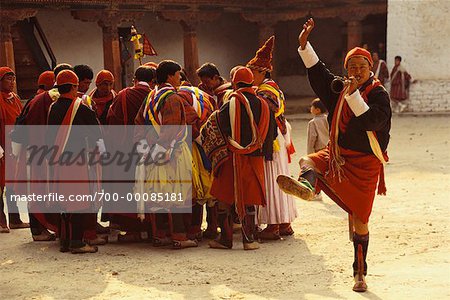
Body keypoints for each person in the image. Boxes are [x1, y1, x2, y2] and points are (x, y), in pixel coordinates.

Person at [277, 18, 391, 292]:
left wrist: (354, 96)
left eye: (362, 67)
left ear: (370, 69)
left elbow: (372, 123)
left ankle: (359, 273)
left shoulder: (379, 95)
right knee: (308, 160)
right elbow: (319, 74)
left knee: (360, 221)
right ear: (346, 69)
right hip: (337, 158)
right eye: (352, 67)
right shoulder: (339, 88)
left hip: (364, 165)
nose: (357, 71)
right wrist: (304, 45)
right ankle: (307, 186)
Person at [202, 66, 276, 250]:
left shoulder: (231, 103)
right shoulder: (263, 104)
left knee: (224, 198)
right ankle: (249, 240)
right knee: (249, 198)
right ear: (251, 81)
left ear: (234, 82)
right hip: (255, 159)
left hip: (231, 158)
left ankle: (225, 239)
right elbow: (271, 133)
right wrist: (262, 152)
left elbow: (218, 126)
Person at [135, 60, 198, 249]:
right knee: (177, 193)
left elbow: (138, 123)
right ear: (170, 76)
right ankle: (179, 236)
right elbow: (171, 128)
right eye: (179, 74)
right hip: (172, 153)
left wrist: (148, 147)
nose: (180, 78)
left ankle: (159, 234)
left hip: (151, 151)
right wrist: (164, 149)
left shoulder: (151, 97)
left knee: (157, 193)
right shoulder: (172, 98)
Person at [10, 63, 72, 240]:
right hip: (40, 151)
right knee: (37, 191)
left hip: (31, 150)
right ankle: (38, 231)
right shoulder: (47, 99)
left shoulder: (35, 99)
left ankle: (41, 229)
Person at [246, 35, 297, 240]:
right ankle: (284, 223)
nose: (250, 76)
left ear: (261, 71)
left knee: (271, 182)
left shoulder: (267, 91)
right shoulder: (270, 88)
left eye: (252, 73)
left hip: (272, 143)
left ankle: (273, 225)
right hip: (278, 140)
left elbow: (264, 112)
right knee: (280, 181)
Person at [47, 69, 103, 254]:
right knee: (79, 202)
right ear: (73, 87)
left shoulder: (53, 107)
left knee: (65, 202)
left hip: (58, 161)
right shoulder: (81, 107)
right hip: (78, 161)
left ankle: (64, 241)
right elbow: (96, 134)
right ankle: (77, 243)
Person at [104, 65, 156, 242]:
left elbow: (113, 120)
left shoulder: (124, 95)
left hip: (126, 148)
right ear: (153, 80)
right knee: (150, 187)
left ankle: (133, 231)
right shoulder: (155, 96)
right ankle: (153, 229)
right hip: (151, 149)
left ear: (135, 78)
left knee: (127, 187)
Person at [0, 67, 27, 233]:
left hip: (15, 148)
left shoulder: (15, 98)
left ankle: (15, 219)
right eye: (7, 79)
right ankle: (1, 221)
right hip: (2, 148)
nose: (11, 82)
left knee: (12, 185)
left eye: (13, 79)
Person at [306, 98, 329, 201]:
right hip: (328, 148)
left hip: (318, 150)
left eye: (312, 107)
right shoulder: (328, 119)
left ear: (317, 110)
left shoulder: (313, 122)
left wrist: (309, 154)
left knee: (317, 172)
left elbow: (312, 139)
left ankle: (317, 192)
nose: (310, 108)